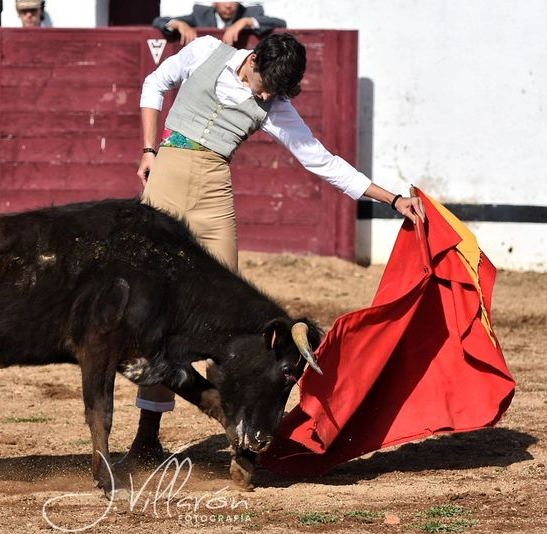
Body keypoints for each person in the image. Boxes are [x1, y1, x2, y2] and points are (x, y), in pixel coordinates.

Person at [119, 32, 426, 469]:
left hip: (213, 193)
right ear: (253, 59)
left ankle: (241, 440)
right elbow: (155, 83)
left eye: (273, 92)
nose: (265, 96)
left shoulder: (276, 103)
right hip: (165, 178)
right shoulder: (207, 50)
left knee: (227, 320)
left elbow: (320, 160)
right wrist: (149, 149)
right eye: (264, 84)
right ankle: (147, 438)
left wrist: (392, 198)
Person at [152, 2, 286, 46]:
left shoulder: (250, 12)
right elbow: (158, 21)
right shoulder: (201, 13)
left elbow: (280, 23)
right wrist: (179, 24)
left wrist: (245, 21)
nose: (228, 5)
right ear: (214, 2)